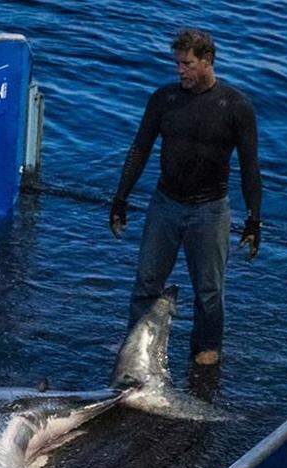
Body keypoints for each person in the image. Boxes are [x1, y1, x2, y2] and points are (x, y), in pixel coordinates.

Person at [110, 28, 262, 366]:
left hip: (210, 210)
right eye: (177, 64)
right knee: (146, 283)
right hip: (165, 204)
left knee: (208, 291)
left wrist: (254, 219)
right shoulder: (164, 99)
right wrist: (120, 198)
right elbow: (140, 149)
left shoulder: (235, 106)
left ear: (208, 61)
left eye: (187, 64)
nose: (180, 71)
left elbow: (250, 166)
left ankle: (205, 357)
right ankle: (136, 353)